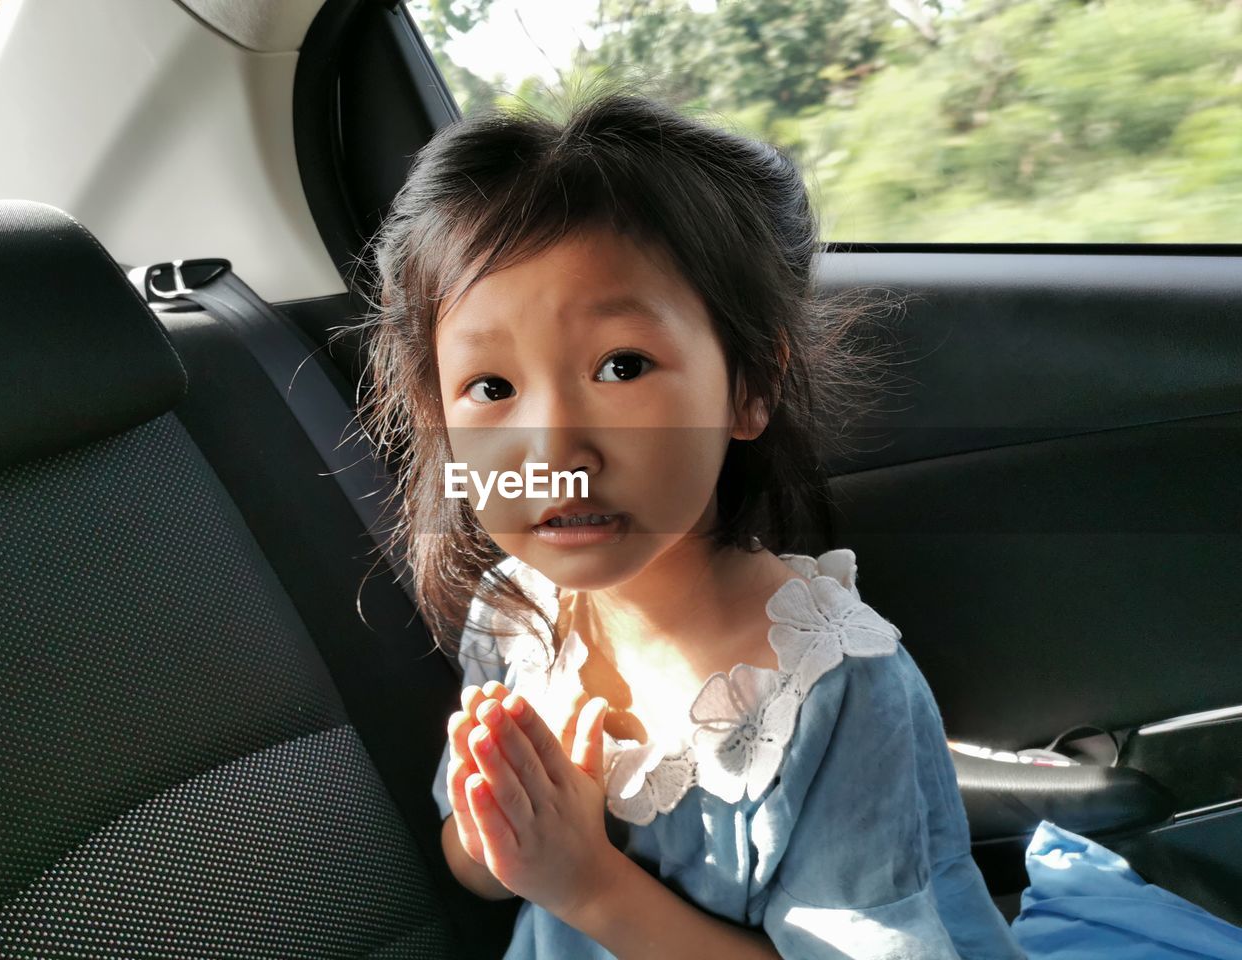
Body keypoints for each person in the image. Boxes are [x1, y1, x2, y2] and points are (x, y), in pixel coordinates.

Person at [352, 80, 1027, 959]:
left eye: (622, 366)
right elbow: (474, 858)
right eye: (491, 388)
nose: (553, 444)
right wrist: (516, 831)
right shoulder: (516, 618)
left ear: (750, 384)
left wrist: (587, 881)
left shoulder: (834, 691)